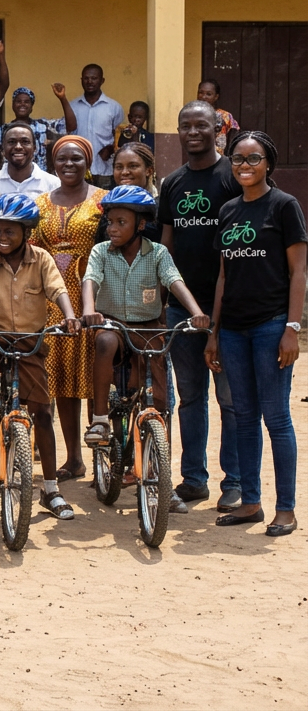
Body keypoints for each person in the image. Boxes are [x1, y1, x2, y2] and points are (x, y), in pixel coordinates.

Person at [0, 194, 82, 521]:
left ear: (27, 232)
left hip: (29, 341)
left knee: (43, 413)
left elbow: (58, 290)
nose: (2, 237)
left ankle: (50, 489)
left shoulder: (42, 259)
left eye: (10, 231)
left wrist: (69, 316)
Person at [81, 186, 206, 514]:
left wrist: (196, 313)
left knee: (159, 404)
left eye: (121, 222)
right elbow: (90, 280)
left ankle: (160, 481)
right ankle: (99, 419)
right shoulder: (101, 251)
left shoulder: (158, 253)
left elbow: (174, 281)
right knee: (105, 341)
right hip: (112, 322)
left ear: (140, 225)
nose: (112, 228)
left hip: (149, 327)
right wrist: (89, 310)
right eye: (109, 222)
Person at [206, 131, 305, 537]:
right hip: (232, 329)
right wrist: (214, 332)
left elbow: (298, 273)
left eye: (253, 158)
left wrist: (292, 328)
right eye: (238, 159)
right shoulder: (228, 210)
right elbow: (223, 276)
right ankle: (250, 502)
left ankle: (286, 509)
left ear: (268, 163)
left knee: (276, 417)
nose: (244, 165)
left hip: (270, 325)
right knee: (243, 417)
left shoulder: (284, 206)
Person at [158, 100, 241, 508]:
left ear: (217, 130)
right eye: (185, 126)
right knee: (190, 397)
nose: (193, 132)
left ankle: (235, 482)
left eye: (201, 125)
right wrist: (163, 302)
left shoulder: (233, 177)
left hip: (229, 310)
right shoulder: (172, 183)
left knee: (230, 400)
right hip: (183, 310)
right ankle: (193, 479)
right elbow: (166, 245)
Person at [30, 135, 105, 482]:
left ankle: (104, 461)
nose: (69, 164)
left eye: (76, 158)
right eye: (62, 159)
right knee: (61, 380)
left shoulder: (102, 201)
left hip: (93, 299)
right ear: (53, 163)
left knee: (96, 378)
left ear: (88, 162)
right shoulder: (41, 203)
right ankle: (74, 458)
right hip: (53, 302)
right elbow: (32, 251)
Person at [0, 85, 78, 172]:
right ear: (13, 105)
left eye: (26, 102)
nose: (22, 104)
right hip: (10, 179)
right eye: (18, 101)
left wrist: (62, 98)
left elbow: (71, 126)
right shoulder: (1, 131)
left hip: (39, 179)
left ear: (31, 107)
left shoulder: (43, 126)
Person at [69, 64, 124, 188]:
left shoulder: (114, 107)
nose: (90, 81)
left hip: (105, 170)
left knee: (104, 200)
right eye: (86, 78)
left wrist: (110, 148)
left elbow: (120, 137)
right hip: (78, 170)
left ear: (102, 80)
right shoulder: (72, 106)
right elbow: (68, 134)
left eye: (94, 78)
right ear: (81, 80)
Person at [0, 122, 60, 197]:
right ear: (3, 149)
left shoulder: (53, 185)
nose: (18, 147)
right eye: (12, 142)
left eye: (25, 142)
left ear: (34, 148)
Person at [196, 79, 240, 155]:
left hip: (220, 158)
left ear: (216, 97)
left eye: (208, 94)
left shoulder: (225, 116)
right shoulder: (192, 114)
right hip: (198, 156)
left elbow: (234, 136)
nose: (203, 97)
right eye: (201, 93)